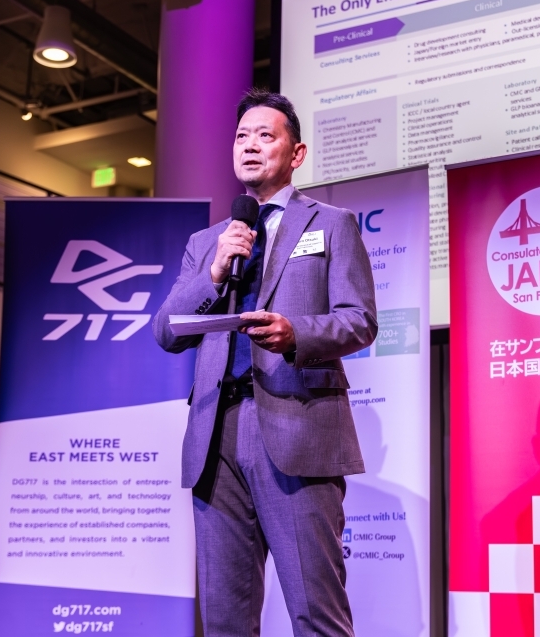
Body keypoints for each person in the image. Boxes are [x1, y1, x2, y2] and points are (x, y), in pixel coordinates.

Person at [153, 89, 377, 637]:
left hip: (297, 426)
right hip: (214, 434)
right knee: (225, 620)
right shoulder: (208, 241)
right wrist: (213, 272)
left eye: (264, 136)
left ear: (296, 153)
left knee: (315, 612)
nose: (249, 146)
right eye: (241, 137)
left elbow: (360, 319)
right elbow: (166, 331)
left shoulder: (331, 224)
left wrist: (297, 332)